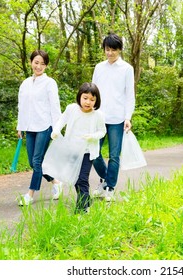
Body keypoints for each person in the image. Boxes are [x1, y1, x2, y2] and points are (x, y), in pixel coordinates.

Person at [92, 33, 135, 202]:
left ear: (119, 50)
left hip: (117, 118)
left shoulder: (127, 68)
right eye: (107, 49)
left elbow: (129, 95)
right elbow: (92, 91)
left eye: (113, 50)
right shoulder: (99, 67)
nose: (110, 53)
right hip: (99, 117)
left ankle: (109, 187)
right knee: (93, 152)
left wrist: (128, 117)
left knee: (114, 155)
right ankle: (105, 179)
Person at [16, 50, 63, 206]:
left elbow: (55, 106)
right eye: (36, 62)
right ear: (31, 63)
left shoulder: (50, 83)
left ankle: (30, 194)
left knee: (37, 162)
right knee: (33, 162)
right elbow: (21, 106)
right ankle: (56, 182)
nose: (39, 66)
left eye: (42, 64)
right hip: (30, 127)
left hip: (44, 126)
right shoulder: (25, 83)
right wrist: (20, 126)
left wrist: (57, 129)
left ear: (46, 66)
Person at [51, 82, 106, 213]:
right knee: (75, 178)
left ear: (96, 101)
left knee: (82, 178)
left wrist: (92, 136)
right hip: (72, 150)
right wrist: (56, 130)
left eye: (92, 100)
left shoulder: (98, 115)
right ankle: (86, 200)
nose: (88, 102)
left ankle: (82, 209)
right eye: (85, 98)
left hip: (87, 152)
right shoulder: (71, 109)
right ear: (79, 96)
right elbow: (61, 120)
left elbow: (102, 131)